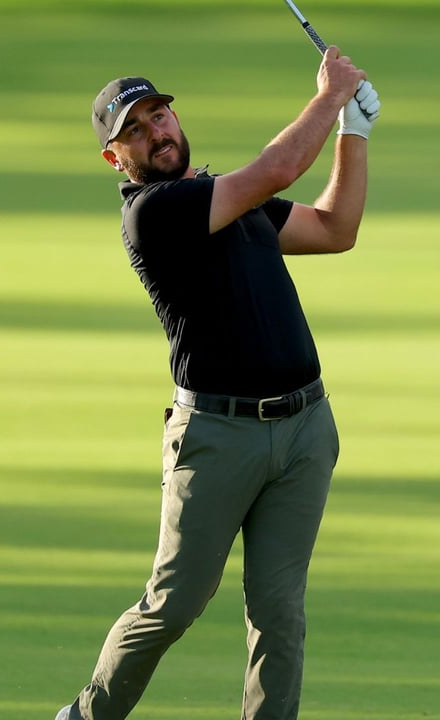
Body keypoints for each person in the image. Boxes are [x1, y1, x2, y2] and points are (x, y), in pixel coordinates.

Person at [56, 47, 381, 720]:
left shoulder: (231, 201)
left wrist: (354, 132)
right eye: (136, 132)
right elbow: (279, 167)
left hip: (305, 430)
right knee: (173, 606)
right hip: (217, 438)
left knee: (280, 612)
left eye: (159, 115)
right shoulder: (155, 213)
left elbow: (335, 229)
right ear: (115, 160)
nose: (157, 133)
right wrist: (328, 97)